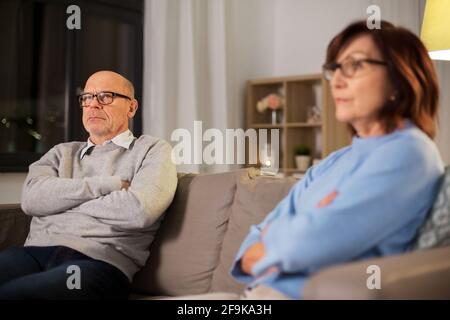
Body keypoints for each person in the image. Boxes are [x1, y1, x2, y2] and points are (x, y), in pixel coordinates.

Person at [173, 20, 445, 300]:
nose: (337, 81)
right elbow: (253, 245)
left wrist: (283, 234)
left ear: (399, 79)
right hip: (252, 297)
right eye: (335, 68)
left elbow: (306, 245)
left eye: (355, 65)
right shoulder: (335, 161)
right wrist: (309, 219)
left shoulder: (408, 153)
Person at [0, 71, 177, 299]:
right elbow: (32, 200)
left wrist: (60, 201)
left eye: (105, 96)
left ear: (131, 108)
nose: (93, 104)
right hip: (31, 255)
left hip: (95, 263)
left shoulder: (152, 150)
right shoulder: (61, 153)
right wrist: (108, 185)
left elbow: (139, 211)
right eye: (87, 97)